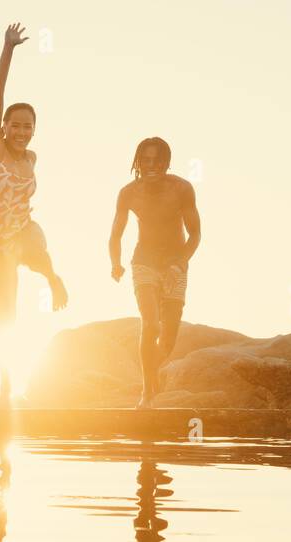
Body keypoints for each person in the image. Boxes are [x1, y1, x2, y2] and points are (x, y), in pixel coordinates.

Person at [0, 22, 68, 406]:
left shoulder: (31, 159)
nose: (21, 131)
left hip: (24, 234)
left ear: (34, 130)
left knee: (36, 242)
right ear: (4, 127)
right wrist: (8, 49)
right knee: (5, 311)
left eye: (28, 126)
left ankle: (51, 276)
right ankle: (4, 384)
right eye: (15, 125)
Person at [109, 138, 201, 408]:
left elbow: (195, 233)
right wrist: (115, 263)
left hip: (176, 262)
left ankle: (151, 375)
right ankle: (148, 392)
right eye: (146, 160)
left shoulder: (182, 189)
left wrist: (179, 263)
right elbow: (115, 235)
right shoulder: (128, 193)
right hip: (144, 262)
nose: (151, 166)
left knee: (169, 338)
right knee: (150, 324)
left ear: (166, 163)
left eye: (157, 161)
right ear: (138, 162)